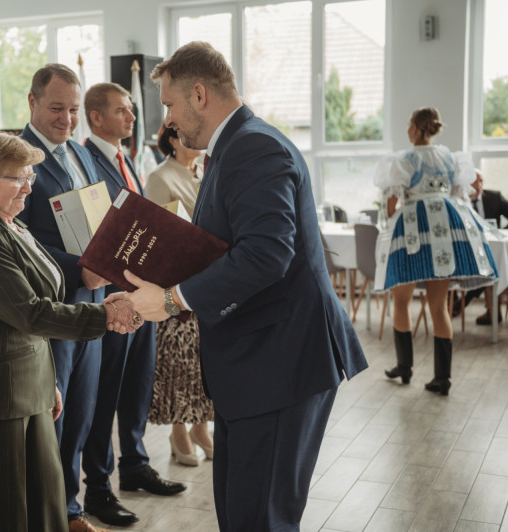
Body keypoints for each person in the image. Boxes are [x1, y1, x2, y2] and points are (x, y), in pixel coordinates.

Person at [109, 42, 368, 532]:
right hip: (254, 365)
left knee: (260, 519)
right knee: (239, 513)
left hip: (278, 363)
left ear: (199, 95)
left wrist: (171, 300)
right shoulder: (232, 147)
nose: (167, 121)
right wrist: (151, 283)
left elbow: (266, 255)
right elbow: (221, 249)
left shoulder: (253, 147)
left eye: (169, 104)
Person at [0, 132, 141, 532]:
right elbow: (29, 313)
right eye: (17, 178)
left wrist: (48, 383)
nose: (28, 187)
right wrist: (104, 316)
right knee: (5, 514)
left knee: (45, 503)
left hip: (27, 384)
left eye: (29, 176)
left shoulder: (10, 223)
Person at [81, 83, 185, 527]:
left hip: (142, 290)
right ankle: (98, 486)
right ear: (96, 118)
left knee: (138, 383)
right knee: (106, 391)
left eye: (131, 110)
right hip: (111, 294)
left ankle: (136, 465)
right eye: (122, 111)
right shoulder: (86, 160)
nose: (131, 117)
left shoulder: (128, 159)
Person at [16, 64, 112, 532]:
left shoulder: (80, 151)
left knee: (81, 411)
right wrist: (79, 269)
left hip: (92, 302)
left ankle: (70, 507)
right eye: (57, 108)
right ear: (32, 102)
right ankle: (50, 514)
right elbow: (18, 239)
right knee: (52, 415)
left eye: (73, 109)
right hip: (53, 306)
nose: (67, 119)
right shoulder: (17, 158)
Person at [375, 107, 498, 396]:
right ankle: (442, 378)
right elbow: (459, 195)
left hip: (413, 231)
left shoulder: (404, 160)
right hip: (445, 230)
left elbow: (391, 206)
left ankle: (404, 367)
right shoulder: (450, 158)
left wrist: (394, 216)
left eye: (408, 126)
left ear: (414, 129)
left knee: (401, 301)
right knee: (438, 306)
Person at [144, 124, 213, 468]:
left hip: (209, 279)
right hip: (177, 283)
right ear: (173, 139)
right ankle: (178, 430)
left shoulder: (205, 171)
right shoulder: (160, 177)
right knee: (179, 361)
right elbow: (157, 235)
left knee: (203, 360)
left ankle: (201, 427)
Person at [457, 169, 508, 324]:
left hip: (493, 250)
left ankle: (465, 303)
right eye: (474, 181)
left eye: (481, 181)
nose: (478, 185)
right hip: (468, 251)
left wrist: (501, 232)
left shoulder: (494, 198)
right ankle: (484, 309)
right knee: (484, 267)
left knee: (490, 266)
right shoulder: (458, 202)